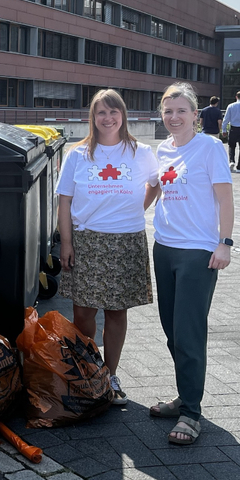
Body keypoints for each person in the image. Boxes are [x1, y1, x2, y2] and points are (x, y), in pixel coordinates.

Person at [55, 89, 160, 406]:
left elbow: (155, 183)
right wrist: (67, 242)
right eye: (101, 112)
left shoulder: (140, 152)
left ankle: (110, 374)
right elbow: (64, 201)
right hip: (87, 240)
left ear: (123, 115)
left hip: (125, 241)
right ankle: (89, 371)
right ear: (93, 117)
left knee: (116, 311)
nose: (108, 118)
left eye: (114, 112)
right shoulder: (78, 155)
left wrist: (137, 210)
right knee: (83, 311)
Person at [146, 82, 234, 446]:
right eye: (168, 111)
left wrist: (224, 243)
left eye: (181, 110)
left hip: (198, 252)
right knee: (171, 330)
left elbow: (225, 200)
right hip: (163, 247)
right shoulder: (162, 149)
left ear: (196, 115)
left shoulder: (210, 147)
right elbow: (153, 189)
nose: (174, 117)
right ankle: (185, 395)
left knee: (189, 332)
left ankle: (191, 413)